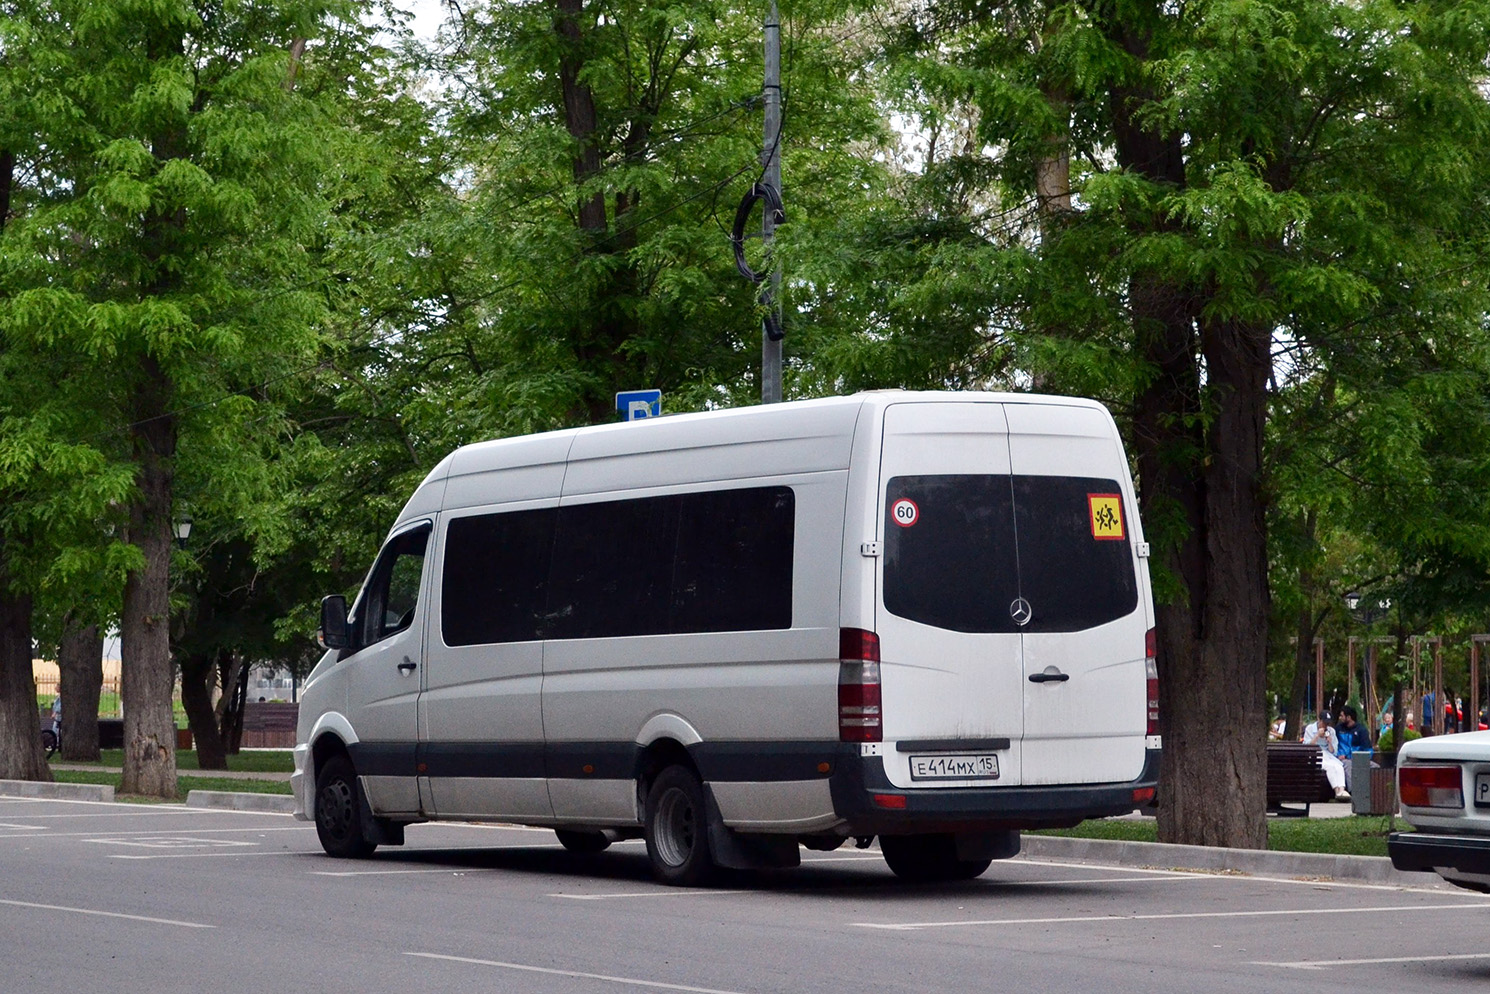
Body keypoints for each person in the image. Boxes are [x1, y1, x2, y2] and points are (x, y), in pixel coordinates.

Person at [1302, 713, 1349, 801]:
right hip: (1314, 753)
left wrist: (1329, 742)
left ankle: (1342, 790)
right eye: (1324, 723)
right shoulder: (1310, 729)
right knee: (1329, 767)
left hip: (1328, 754)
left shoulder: (1331, 731)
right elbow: (1307, 746)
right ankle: (1337, 791)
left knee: (1338, 766)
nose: (1326, 725)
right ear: (1319, 720)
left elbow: (1333, 751)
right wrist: (1317, 736)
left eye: (1328, 723)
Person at [1333, 706, 1372, 792]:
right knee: (1348, 765)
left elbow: (1368, 749)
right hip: (1343, 759)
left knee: (1376, 767)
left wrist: (1363, 758)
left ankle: (1373, 792)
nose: (1340, 718)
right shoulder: (1338, 729)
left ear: (1349, 717)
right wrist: (1339, 755)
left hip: (1359, 758)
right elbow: (1334, 745)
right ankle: (1354, 792)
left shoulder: (1362, 730)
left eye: (1342, 716)